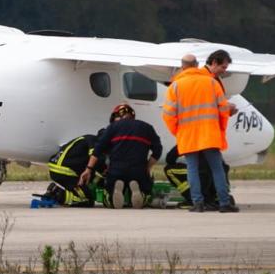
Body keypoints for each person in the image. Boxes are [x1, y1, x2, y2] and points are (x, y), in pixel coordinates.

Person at [163, 50, 238, 213]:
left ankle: (198, 203)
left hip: (188, 135)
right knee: (217, 168)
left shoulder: (175, 86)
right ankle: (224, 203)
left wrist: (178, 131)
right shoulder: (211, 83)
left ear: (182, 68)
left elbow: (168, 114)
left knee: (192, 169)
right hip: (209, 134)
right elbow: (223, 107)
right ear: (197, 65)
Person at [79, 103, 162, 208]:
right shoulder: (147, 127)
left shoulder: (112, 127)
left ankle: (113, 195)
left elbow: (97, 150)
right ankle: (141, 194)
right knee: (144, 190)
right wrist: (147, 167)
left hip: (116, 170)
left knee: (109, 197)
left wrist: (88, 169)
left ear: (116, 116)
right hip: (138, 170)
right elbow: (158, 150)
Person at [45, 133, 105, 206]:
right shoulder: (95, 142)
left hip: (57, 168)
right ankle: (59, 195)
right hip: (65, 171)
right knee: (88, 200)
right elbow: (95, 158)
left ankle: (55, 189)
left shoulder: (87, 138)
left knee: (89, 178)